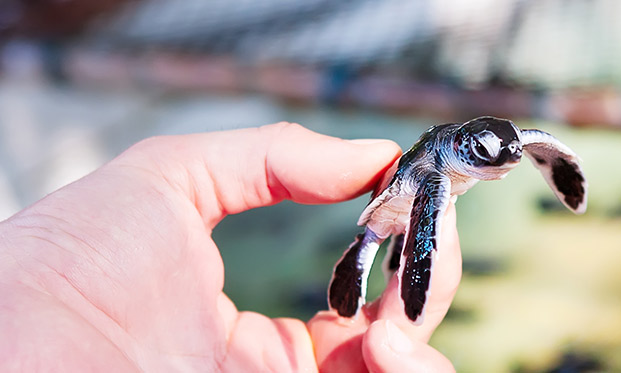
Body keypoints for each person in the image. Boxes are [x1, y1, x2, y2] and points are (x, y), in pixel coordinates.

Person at [0, 122, 459, 372]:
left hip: (404, 213)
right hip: (393, 209)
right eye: (480, 150)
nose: (502, 157)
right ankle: (389, 263)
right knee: (413, 241)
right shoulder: (434, 174)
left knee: (419, 241)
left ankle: (394, 261)